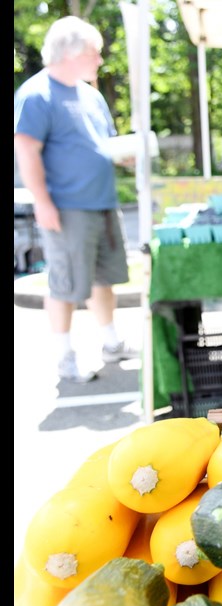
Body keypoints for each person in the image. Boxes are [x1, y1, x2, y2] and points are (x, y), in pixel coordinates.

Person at [13, 16, 139, 383]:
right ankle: (65, 358)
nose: (100, 60)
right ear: (72, 52)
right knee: (66, 284)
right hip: (67, 207)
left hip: (102, 203)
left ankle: (111, 343)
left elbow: (100, 144)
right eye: (94, 52)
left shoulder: (91, 95)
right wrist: (43, 202)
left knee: (105, 279)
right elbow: (27, 151)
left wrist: (123, 154)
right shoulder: (37, 94)